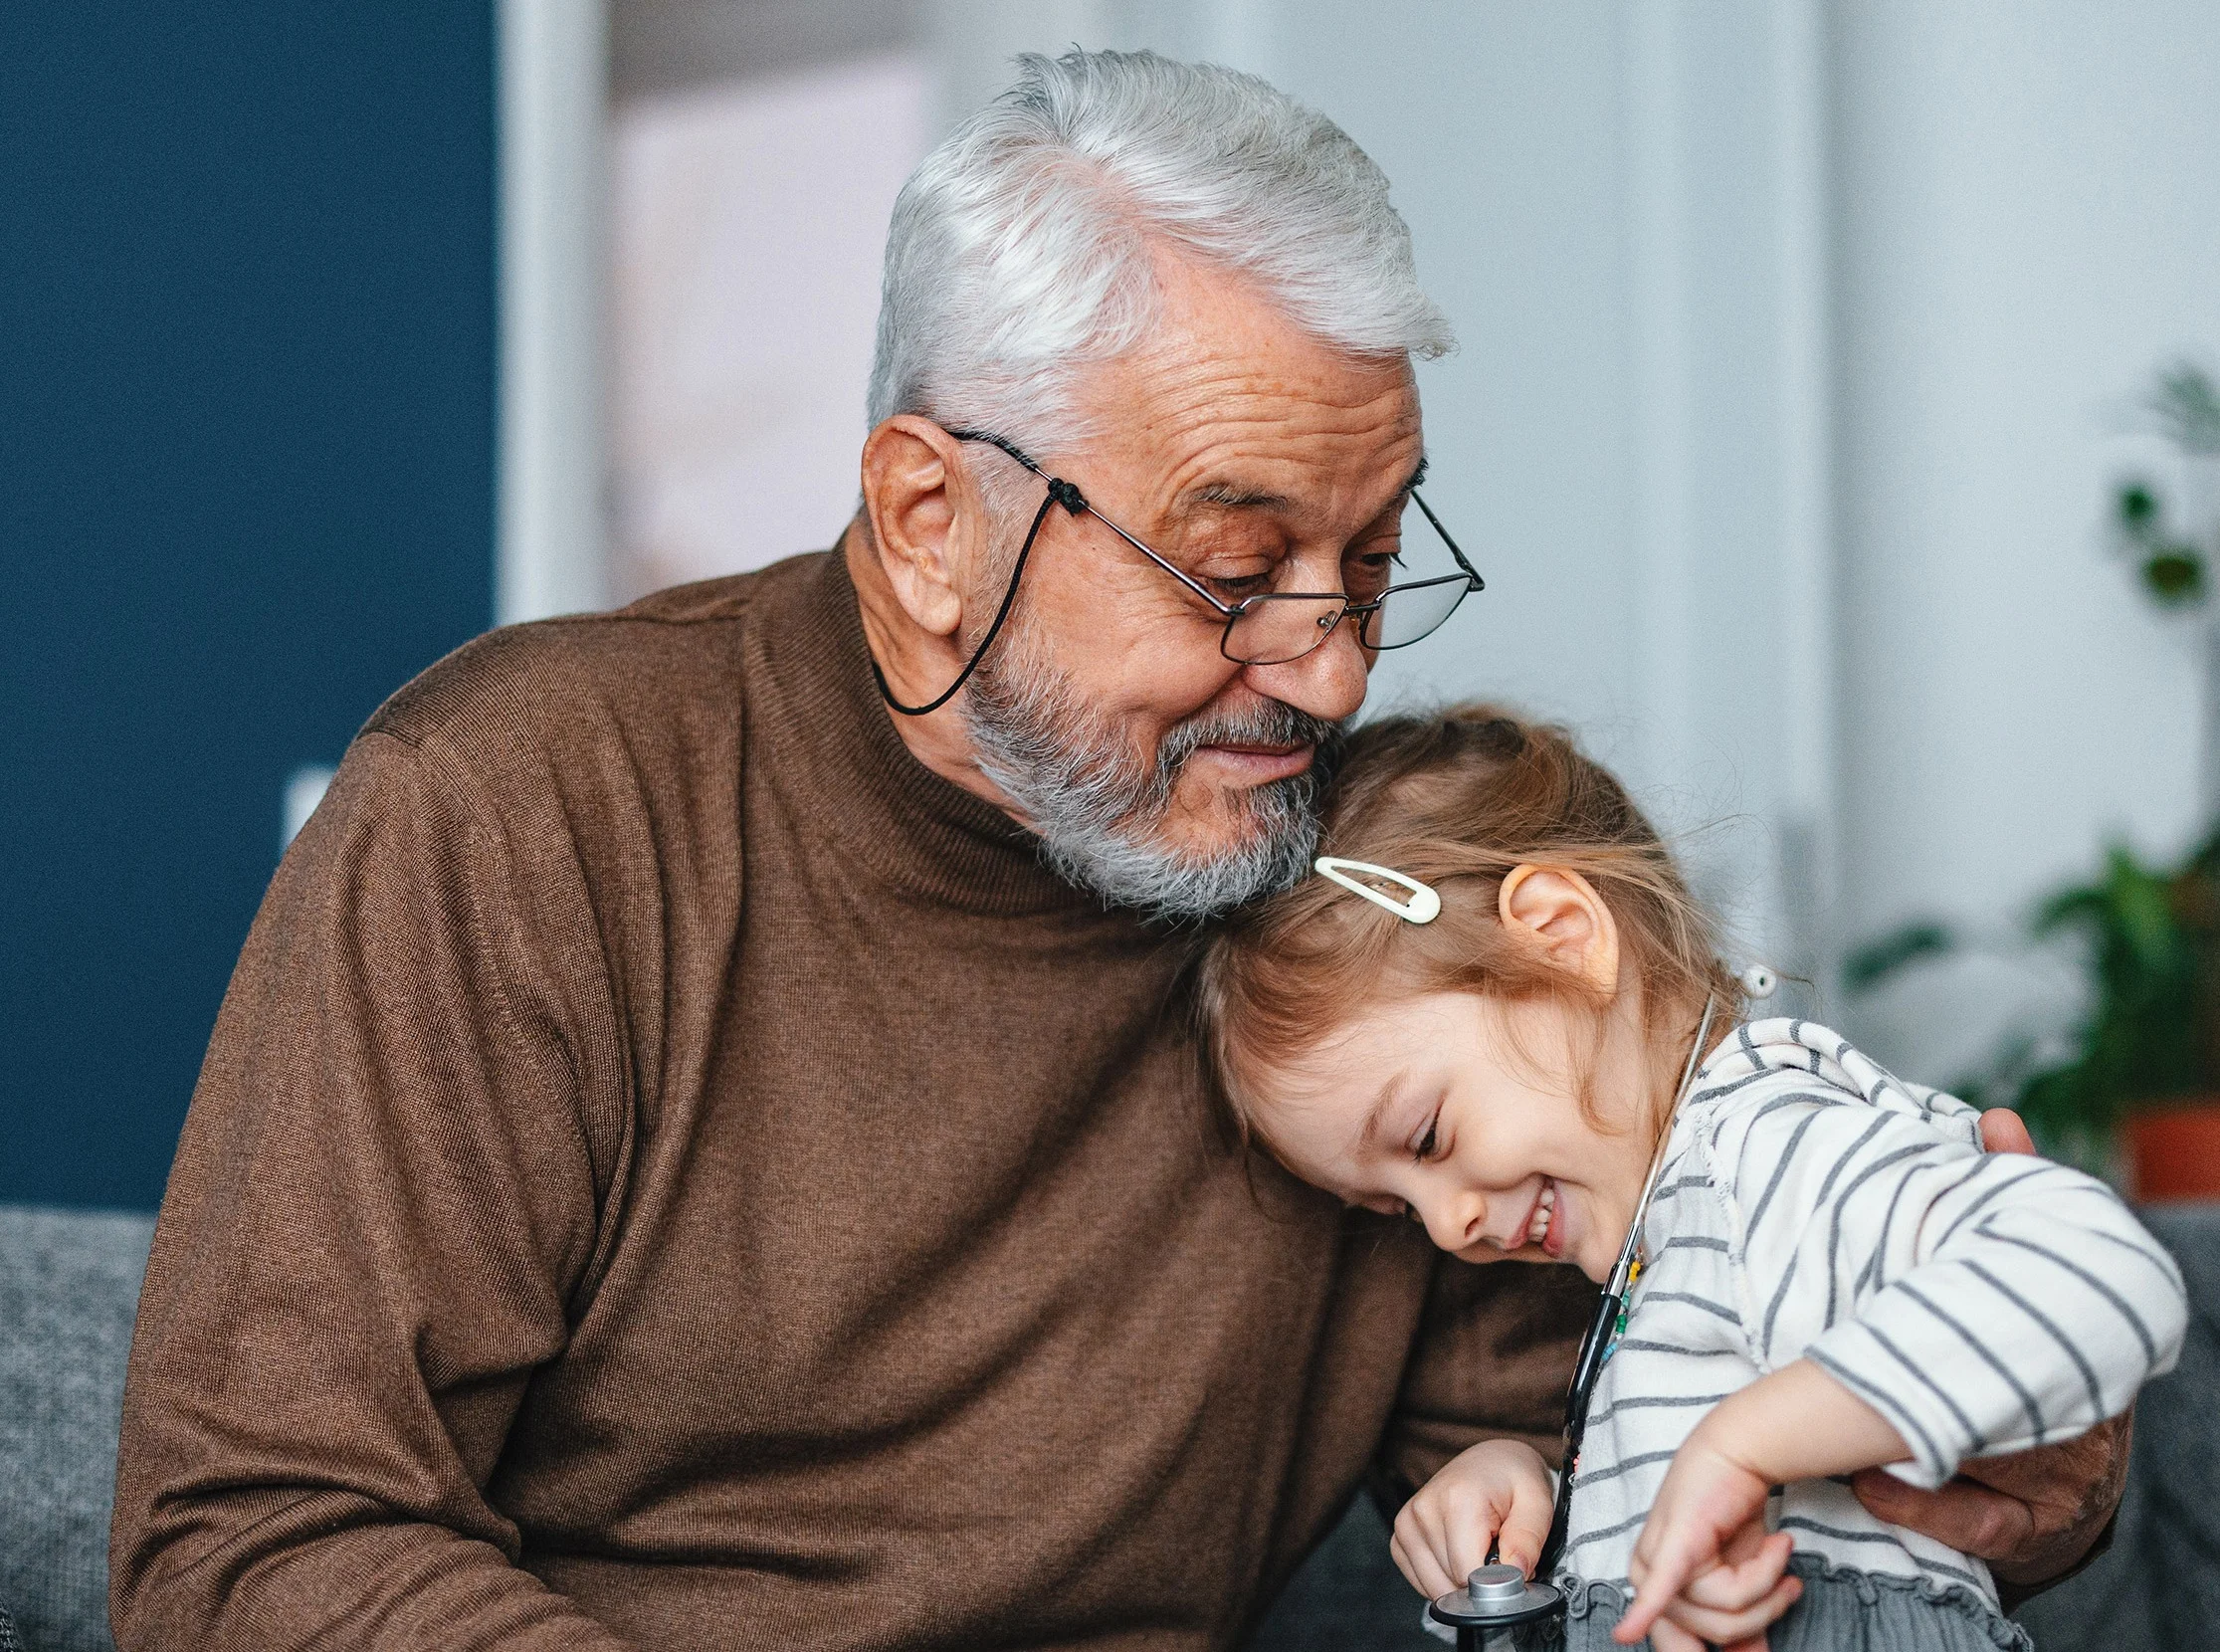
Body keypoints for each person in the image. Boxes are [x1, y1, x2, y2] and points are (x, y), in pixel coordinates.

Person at [111, 51, 2127, 1649]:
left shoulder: (1353, 916)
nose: (1326, 670)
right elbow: (258, 1541)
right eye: (1236, 567)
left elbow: (1580, 1439)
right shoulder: (519, 813)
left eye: (1368, 556)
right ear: (926, 523)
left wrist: (1967, 1483)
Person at [1202, 706, 2183, 1652]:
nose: (1447, 1223)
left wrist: (1741, 1448)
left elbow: (2100, 1271)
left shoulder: (1763, 1138)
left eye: (1424, 1136)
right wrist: (1535, 1484)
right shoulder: (1662, 1245)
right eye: (1388, 1207)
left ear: (1557, 936)